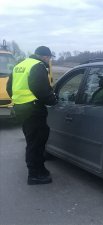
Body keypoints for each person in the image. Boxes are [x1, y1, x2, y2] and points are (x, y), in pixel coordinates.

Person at [6, 46, 58, 185]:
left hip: (22, 109)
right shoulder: (37, 66)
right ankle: (34, 175)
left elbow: (9, 87)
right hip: (33, 109)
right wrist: (53, 100)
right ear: (45, 56)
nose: (49, 60)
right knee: (36, 142)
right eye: (49, 57)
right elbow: (41, 88)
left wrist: (18, 100)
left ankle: (40, 169)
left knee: (33, 140)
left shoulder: (20, 65)